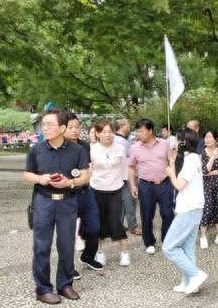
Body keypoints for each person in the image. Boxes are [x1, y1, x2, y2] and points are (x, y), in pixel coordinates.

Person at [23, 109, 90, 304]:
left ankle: (65, 285)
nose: (45, 128)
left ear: (62, 128)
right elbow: (27, 175)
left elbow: (85, 176)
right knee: (41, 246)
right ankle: (43, 289)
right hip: (43, 202)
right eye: (43, 124)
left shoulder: (77, 150)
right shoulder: (36, 149)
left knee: (67, 245)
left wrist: (69, 182)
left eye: (49, 124)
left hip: (68, 202)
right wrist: (40, 178)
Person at [163, 129, 208, 294]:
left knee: (169, 247)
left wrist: (170, 173)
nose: (174, 143)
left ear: (183, 142)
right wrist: (173, 162)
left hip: (189, 209)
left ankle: (195, 275)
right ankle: (189, 283)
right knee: (187, 248)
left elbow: (179, 185)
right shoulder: (193, 158)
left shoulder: (191, 160)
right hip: (194, 208)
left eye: (177, 140)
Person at [64, 113, 102, 280]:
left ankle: (87, 256)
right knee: (67, 234)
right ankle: (68, 267)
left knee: (94, 228)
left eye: (77, 127)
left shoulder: (84, 146)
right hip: (67, 195)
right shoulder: (58, 148)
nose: (75, 130)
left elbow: (87, 169)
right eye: (70, 127)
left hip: (86, 193)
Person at [128, 119, 174, 255]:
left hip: (164, 184)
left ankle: (167, 240)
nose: (138, 134)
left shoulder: (165, 144)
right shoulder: (135, 147)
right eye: (137, 131)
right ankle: (149, 243)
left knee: (168, 213)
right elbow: (130, 167)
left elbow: (171, 162)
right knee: (146, 215)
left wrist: (174, 180)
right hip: (146, 185)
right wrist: (132, 185)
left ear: (150, 131)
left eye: (141, 131)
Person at [90, 120, 131, 267]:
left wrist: (128, 186)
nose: (107, 135)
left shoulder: (120, 148)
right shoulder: (92, 148)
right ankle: (100, 253)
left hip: (115, 189)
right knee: (99, 222)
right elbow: (89, 170)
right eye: (104, 132)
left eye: (110, 131)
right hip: (96, 189)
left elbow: (125, 169)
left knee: (116, 221)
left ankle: (125, 253)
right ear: (98, 133)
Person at [115, 118, 142, 236]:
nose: (130, 127)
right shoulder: (121, 141)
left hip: (118, 176)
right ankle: (133, 226)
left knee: (121, 202)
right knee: (130, 200)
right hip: (126, 175)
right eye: (129, 124)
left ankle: (118, 225)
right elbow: (130, 160)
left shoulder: (116, 139)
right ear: (123, 125)